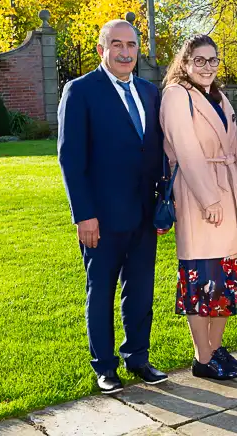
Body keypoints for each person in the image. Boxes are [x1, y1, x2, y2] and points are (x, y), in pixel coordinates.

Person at [57, 19, 167, 394]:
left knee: (141, 290)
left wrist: (164, 202)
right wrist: (83, 214)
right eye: (116, 44)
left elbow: (154, 153)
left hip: (143, 214)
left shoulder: (150, 92)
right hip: (100, 218)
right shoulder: (81, 91)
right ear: (101, 48)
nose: (124, 52)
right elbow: (70, 158)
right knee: (100, 290)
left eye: (131, 45)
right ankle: (105, 367)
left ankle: (138, 357)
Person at [160, 35, 237, 380]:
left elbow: (236, 148)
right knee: (203, 279)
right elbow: (186, 151)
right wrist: (210, 199)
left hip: (230, 193)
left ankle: (215, 349)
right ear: (185, 63)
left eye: (212, 60)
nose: (206, 67)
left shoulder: (218, 97)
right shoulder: (177, 95)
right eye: (199, 61)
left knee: (227, 280)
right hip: (198, 197)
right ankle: (202, 358)